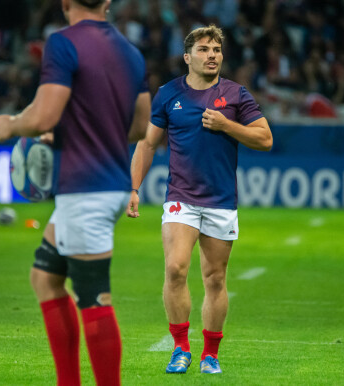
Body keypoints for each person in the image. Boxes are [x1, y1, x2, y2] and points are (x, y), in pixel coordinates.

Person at [0, 1, 151, 385]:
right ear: (108, 2)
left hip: (85, 189)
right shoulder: (131, 51)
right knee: (44, 278)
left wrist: (13, 124)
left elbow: (44, 116)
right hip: (107, 183)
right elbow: (140, 125)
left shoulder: (63, 43)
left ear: (65, 3)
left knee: (94, 298)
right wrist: (84, 131)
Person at [126, 24, 273, 374]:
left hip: (221, 200)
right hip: (181, 198)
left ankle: (211, 354)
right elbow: (147, 144)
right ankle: (180, 348)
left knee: (215, 279)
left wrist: (227, 126)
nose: (212, 55)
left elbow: (265, 139)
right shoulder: (167, 94)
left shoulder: (236, 94)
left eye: (217, 50)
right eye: (205, 49)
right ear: (188, 56)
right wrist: (134, 188)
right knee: (175, 268)